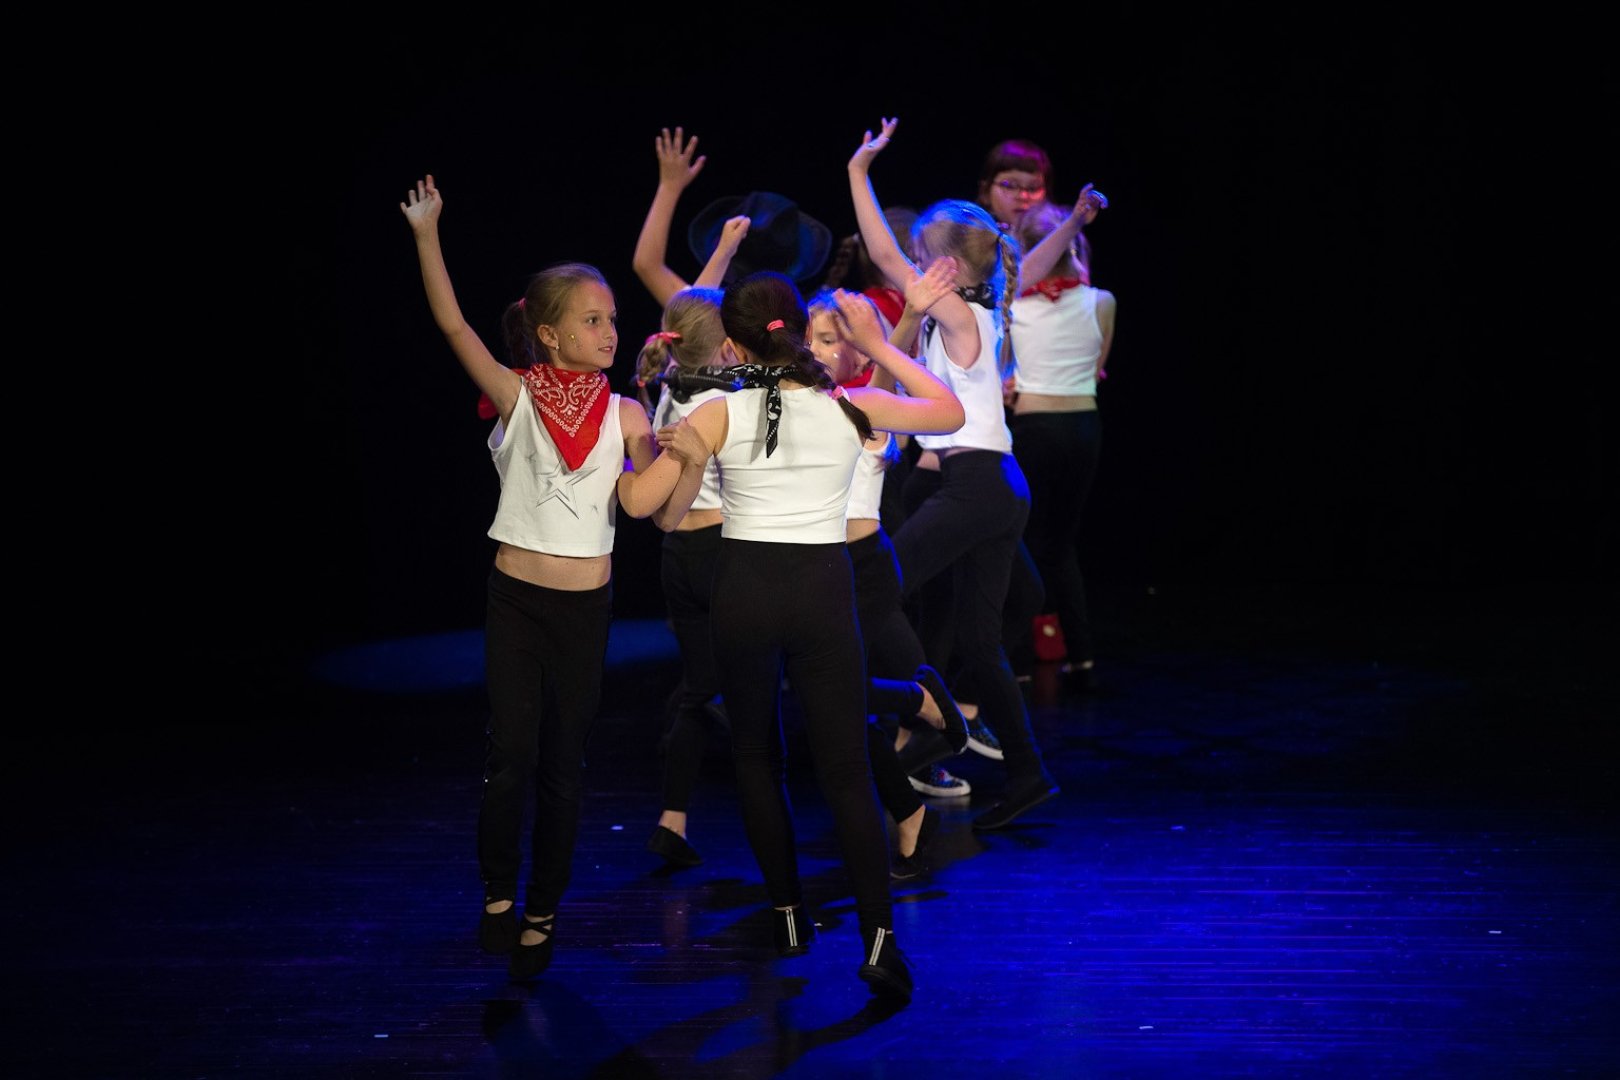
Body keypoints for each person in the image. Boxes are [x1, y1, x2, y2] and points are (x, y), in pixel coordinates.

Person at [619, 272, 966, 1004]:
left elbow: (655, 512)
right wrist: (877, 343)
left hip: (744, 594)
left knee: (757, 757)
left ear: (735, 344)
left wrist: (653, 451)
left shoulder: (716, 411)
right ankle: (879, 941)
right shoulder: (849, 405)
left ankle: (785, 914)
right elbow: (949, 409)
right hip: (823, 596)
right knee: (846, 770)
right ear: (804, 332)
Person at [399, 175, 677, 981]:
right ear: (548, 335)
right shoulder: (515, 395)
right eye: (592, 320)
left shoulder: (628, 413)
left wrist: (684, 447)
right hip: (517, 601)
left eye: (613, 319)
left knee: (563, 768)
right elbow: (451, 323)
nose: (609, 330)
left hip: (586, 609)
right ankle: (498, 895)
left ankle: (545, 906)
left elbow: (645, 505)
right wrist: (427, 233)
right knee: (512, 754)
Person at [848, 119, 1061, 832]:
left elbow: (881, 254)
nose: (909, 267)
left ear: (946, 268)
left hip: (976, 486)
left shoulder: (966, 317)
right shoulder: (966, 319)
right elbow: (892, 264)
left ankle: (926, 722)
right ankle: (1028, 773)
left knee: (877, 587)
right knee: (978, 640)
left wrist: (858, 173)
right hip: (996, 485)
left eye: (921, 260)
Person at [806, 284, 969, 879]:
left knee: (834, 701)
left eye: (830, 340)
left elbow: (892, 371)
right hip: (819, 571)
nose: (816, 350)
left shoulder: (868, 402)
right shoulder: (802, 402)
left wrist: (901, 323)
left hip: (865, 569)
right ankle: (908, 804)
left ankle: (916, 711)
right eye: (809, 339)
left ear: (857, 350)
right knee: (834, 708)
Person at [1008, 194, 1114, 691]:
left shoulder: (1012, 306)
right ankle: (1083, 655)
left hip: (1034, 428)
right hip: (1083, 428)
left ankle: (1020, 662)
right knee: (1062, 543)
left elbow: (1006, 376)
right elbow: (1097, 369)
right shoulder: (1102, 301)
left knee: (1026, 542)